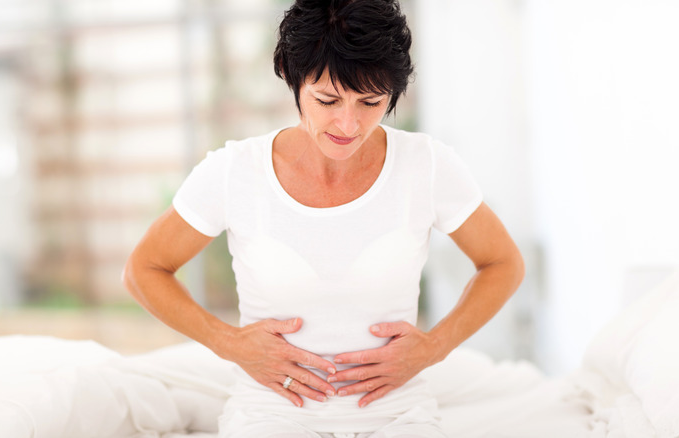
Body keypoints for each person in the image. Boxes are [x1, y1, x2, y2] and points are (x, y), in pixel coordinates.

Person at [123, 0, 524, 437]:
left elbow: (503, 263)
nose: (348, 124)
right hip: (271, 414)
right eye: (328, 99)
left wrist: (434, 347)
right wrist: (229, 343)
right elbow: (144, 270)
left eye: (370, 101)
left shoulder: (425, 165)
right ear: (293, 81)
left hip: (396, 414)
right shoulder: (235, 171)